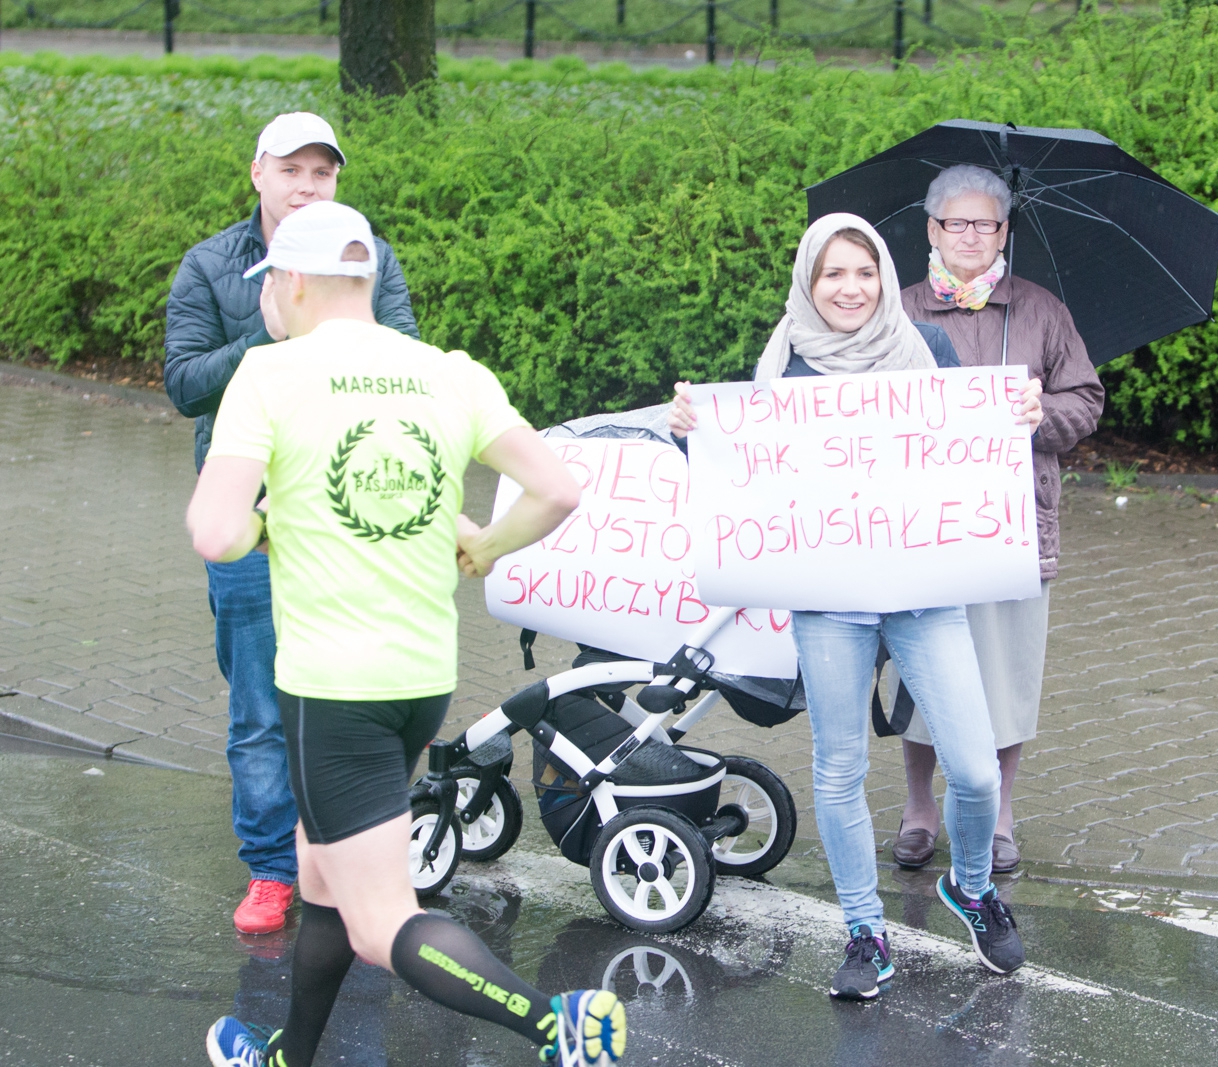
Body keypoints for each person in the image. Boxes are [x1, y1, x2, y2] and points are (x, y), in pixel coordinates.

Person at [186, 200, 623, 1067]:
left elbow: (214, 529)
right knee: (323, 878)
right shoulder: (447, 371)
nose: (269, 294)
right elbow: (559, 489)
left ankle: (559, 1025)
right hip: (418, 679)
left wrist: (269, 526)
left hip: (332, 687)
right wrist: (487, 544)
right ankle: (286, 1056)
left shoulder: (270, 376)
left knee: (381, 917)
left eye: (270, 278)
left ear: (294, 281)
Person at [668, 213, 1043, 1000]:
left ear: (883, 278)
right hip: (828, 598)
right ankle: (864, 932)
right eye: (832, 273)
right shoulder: (782, 368)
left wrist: (1015, 423)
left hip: (921, 592)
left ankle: (971, 888)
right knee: (839, 768)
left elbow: (967, 452)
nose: (850, 287)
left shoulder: (928, 349)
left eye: (864, 271)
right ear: (809, 280)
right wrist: (688, 433)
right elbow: (739, 472)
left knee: (974, 768)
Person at [164, 111, 420, 935]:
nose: (309, 187)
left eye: (324, 173)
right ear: (258, 175)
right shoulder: (211, 265)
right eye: (293, 171)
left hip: (348, 506)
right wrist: (273, 341)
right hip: (246, 506)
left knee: (351, 691)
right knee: (260, 701)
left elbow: (406, 352)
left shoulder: (364, 257)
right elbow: (182, 383)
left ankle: (351, 856)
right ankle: (274, 868)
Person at [892, 164, 1104, 874]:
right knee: (920, 672)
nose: (972, 236)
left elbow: (1087, 400)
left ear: (1005, 230)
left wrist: (1041, 413)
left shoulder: (1040, 310)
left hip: (1015, 524)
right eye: (958, 222)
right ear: (932, 229)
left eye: (987, 223)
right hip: (921, 528)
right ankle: (920, 806)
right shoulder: (897, 310)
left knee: (1007, 674)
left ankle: (1001, 810)